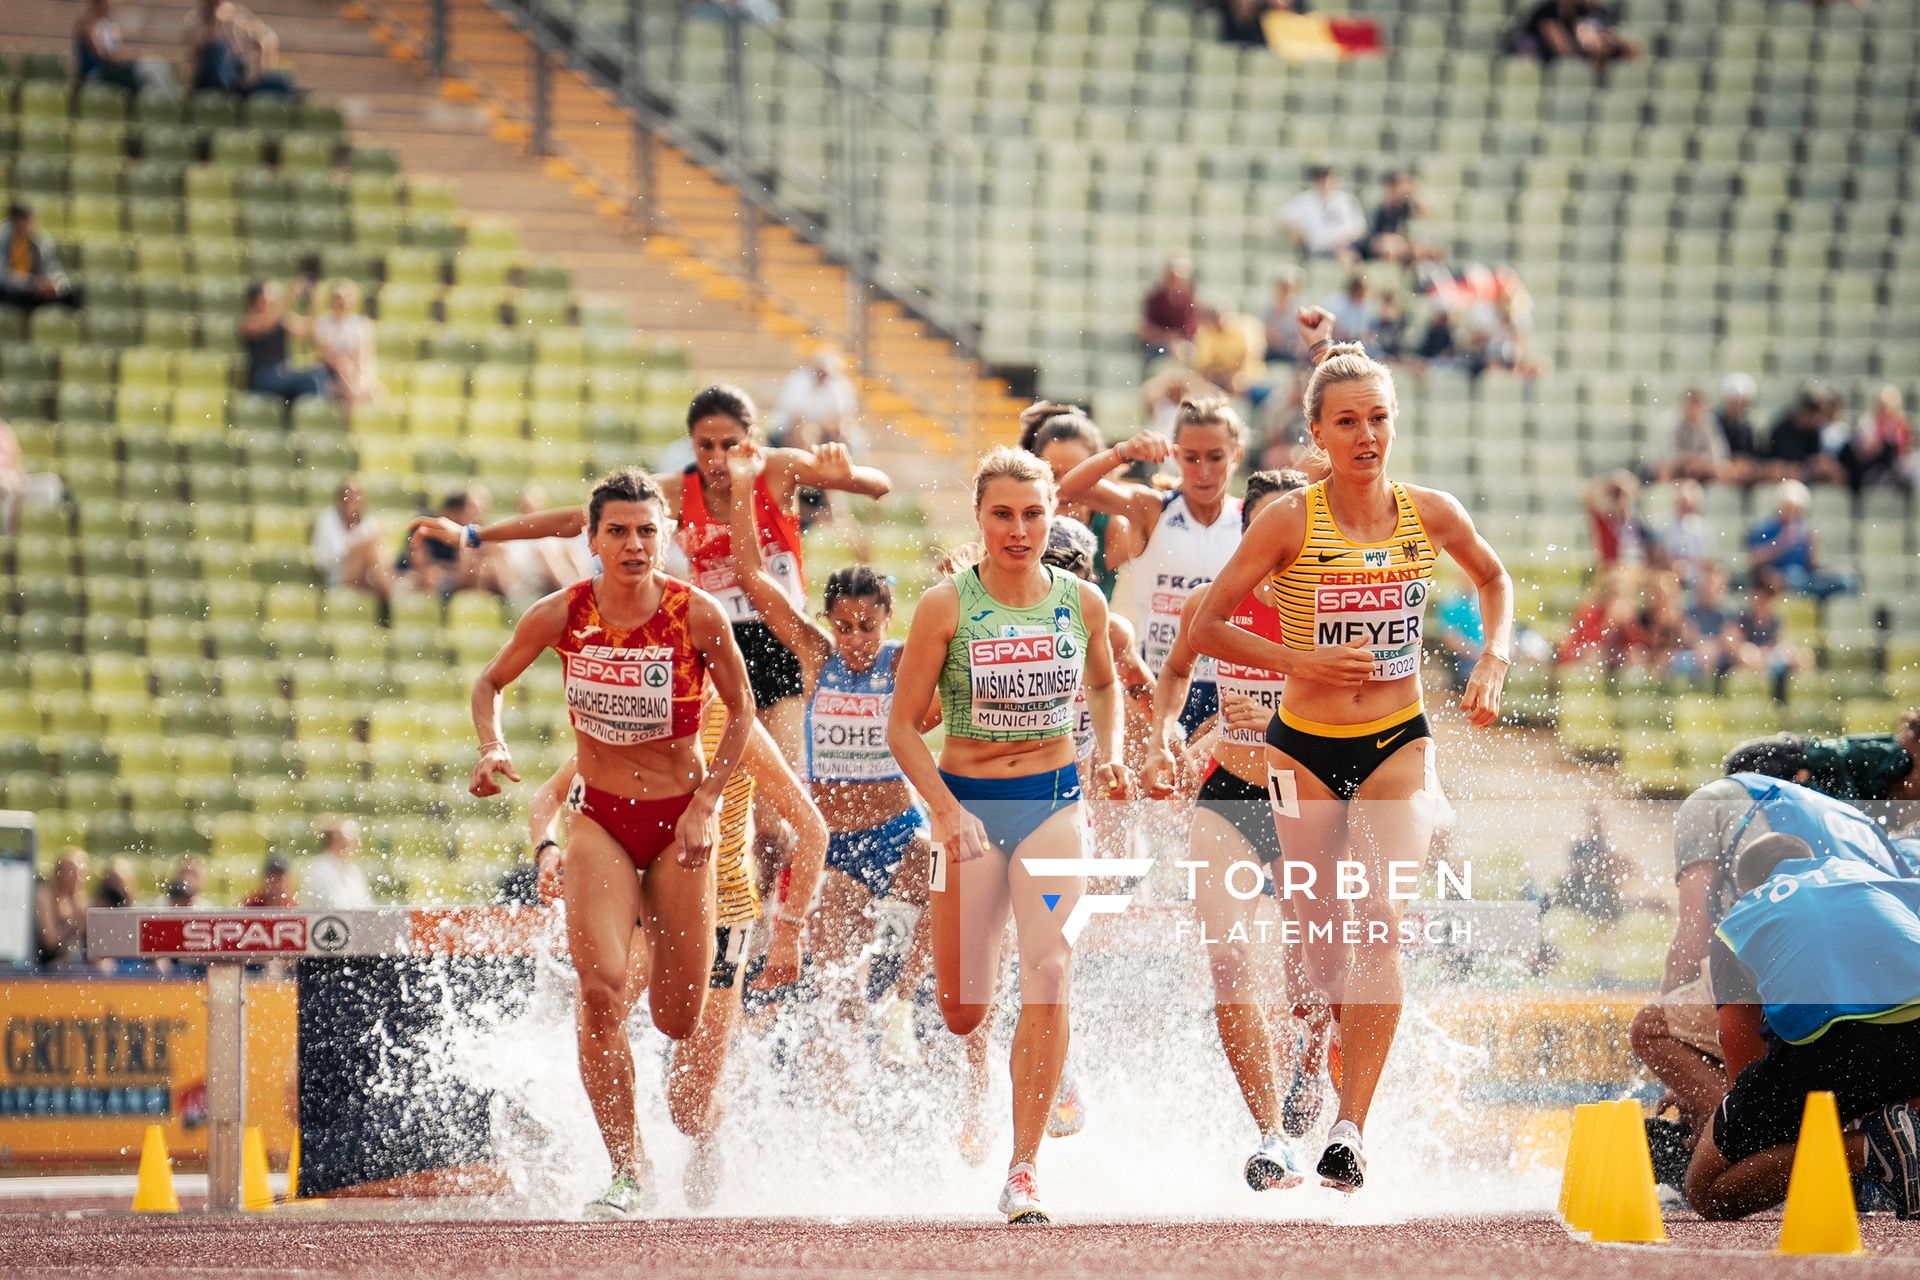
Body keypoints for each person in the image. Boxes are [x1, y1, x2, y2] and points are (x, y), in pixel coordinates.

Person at [1187, 308, 1514, 1192]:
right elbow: (1205, 621)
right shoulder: (1291, 521)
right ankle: (1301, 1077)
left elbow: (1493, 577)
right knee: (1314, 942)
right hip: (1299, 755)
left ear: (1394, 423)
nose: (1366, 435)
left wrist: (1494, 655)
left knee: (1381, 926)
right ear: (1317, 434)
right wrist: (1302, 657)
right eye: (1346, 421)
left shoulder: (1429, 512)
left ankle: (1351, 1129)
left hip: (1398, 745)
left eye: (1378, 419)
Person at [468, 467, 756, 1218]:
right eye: (618, 531)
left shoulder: (696, 616)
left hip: (677, 831)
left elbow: (745, 715)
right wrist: (492, 747)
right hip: (599, 820)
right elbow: (488, 684)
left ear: (665, 539)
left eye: (646, 531)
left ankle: (706, 1117)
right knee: (598, 996)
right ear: (592, 538)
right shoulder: (563, 613)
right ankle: (628, 1170)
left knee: (676, 1019)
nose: (633, 544)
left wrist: (705, 806)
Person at [886, 446, 1137, 1224]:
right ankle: (1015, 1025)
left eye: (1034, 514)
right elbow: (900, 728)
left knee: (1050, 970)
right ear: (980, 519)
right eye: (1003, 514)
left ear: (1053, 515)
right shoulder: (944, 606)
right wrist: (943, 809)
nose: (1020, 529)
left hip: (1056, 804)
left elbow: (1103, 682)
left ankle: (1023, 1169)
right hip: (965, 810)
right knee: (961, 1008)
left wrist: (1115, 756)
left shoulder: (1082, 602)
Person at [412, 386, 892, 766]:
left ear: (753, 438)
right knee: (722, 798)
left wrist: (848, 472)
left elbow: (877, 487)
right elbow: (575, 519)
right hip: (716, 641)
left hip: (779, 633)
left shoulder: (780, 468)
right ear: (691, 445)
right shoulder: (676, 492)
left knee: (778, 812)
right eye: (705, 446)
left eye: (730, 445)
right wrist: (475, 535)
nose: (718, 458)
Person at [525, 695, 824, 1208]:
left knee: (688, 1108)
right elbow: (548, 798)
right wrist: (546, 849)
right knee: (599, 1006)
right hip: (642, 904)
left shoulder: (735, 730)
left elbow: (813, 829)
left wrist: (790, 928)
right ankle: (629, 1167)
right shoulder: (627, 720)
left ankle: (710, 1128)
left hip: (722, 916)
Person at [719, 439, 938, 1063]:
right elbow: (751, 576)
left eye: (867, 627)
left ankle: (904, 1000)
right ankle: (840, 1103)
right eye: (844, 626)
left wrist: (964, 578)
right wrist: (741, 489)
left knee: (960, 887)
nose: (856, 640)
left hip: (898, 830)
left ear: (888, 621)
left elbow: (955, 636)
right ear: (829, 622)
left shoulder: (903, 661)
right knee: (838, 997)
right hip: (835, 845)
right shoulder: (816, 657)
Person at [1142, 468, 1331, 1192]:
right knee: (1229, 965)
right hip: (1231, 798)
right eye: (1261, 532)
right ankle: (1271, 1136)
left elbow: (1363, 709)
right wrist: (1165, 735)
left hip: (1309, 805)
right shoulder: (1210, 603)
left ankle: (1312, 1072)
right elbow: (1176, 674)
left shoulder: (1326, 609)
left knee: (1309, 980)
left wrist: (1282, 721)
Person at [1683, 831, 1920, 1221]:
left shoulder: (1740, 918)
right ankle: (1902, 1137)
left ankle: (1869, 1149)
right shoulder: (1869, 876)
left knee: (1709, 1190)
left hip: (1835, 1043)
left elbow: (1739, 1051)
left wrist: (1764, 1141)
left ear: (1745, 887)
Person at [1057, 396, 1249, 742]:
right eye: (1191, 458)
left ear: (1237, 453)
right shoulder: (1152, 509)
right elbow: (1069, 489)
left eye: (1216, 457)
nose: (1203, 471)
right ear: (1175, 455)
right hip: (1152, 686)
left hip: (1228, 694)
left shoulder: (1252, 519)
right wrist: (1123, 452)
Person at [1019, 404, 1137, 601]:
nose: (1063, 487)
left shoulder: (1114, 528)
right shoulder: (1016, 525)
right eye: (1053, 474)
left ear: (1095, 471)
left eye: (1076, 474)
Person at [1721, 716, 1920, 804]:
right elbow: (1839, 757)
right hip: (1790, 754)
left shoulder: (1895, 757)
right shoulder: (1896, 756)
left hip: (1796, 761)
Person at [1746, 479, 1854, 599]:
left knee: (1846, 580)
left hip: (1805, 580)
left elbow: (1813, 565)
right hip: (1780, 578)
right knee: (1792, 576)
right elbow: (1753, 559)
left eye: (1796, 509)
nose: (1792, 513)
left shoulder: (1804, 529)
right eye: (1788, 508)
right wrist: (1782, 542)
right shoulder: (1765, 528)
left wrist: (1813, 545)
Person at [185, 0, 299, 97]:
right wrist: (215, 20)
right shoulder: (196, 19)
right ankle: (225, 87)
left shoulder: (237, 18)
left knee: (281, 85)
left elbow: (267, 37)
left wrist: (258, 48)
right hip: (208, 80)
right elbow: (200, 47)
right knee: (218, 50)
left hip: (236, 82)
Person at [311, 476, 398, 601]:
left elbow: (384, 556)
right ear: (341, 500)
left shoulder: (369, 521)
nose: (355, 502)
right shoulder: (327, 519)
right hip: (337, 578)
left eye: (359, 498)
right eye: (351, 498)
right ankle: (392, 599)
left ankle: (390, 598)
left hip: (367, 578)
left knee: (374, 548)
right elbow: (323, 562)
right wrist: (357, 550)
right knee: (371, 546)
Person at [241, 280, 329, 402]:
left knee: (319, 373)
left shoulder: (279, 319)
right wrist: (290, 294)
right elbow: (268, 322)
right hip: (263, 378)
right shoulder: (249, 321)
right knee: (310, 380)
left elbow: (308, 329)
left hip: (283, 374)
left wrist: (312, 301)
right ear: (259, 297)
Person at [75, 0, 179, 97]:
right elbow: (102, 55)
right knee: (133, 73)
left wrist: (133, 54)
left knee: (152, 66)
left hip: (111, 68)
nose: (112, 5)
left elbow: (117, 51)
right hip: (96, 72)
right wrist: (128, 57)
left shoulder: (109, 25)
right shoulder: (88, 24)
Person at [1, 205, 84, 314]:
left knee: (75, 292)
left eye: (28, 224)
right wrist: (33, 284)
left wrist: (57, 284)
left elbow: (51, 267)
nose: (25, 228)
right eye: (20, 225)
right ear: (13, 223)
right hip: (12, 292)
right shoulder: (2, 239)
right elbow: (3, 276)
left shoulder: (41, 240)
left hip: (35, 293)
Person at [1279, 166, 1368, 265]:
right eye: (1321, 179)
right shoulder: (1305, 200)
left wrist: (1341, 241)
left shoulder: (1347, 200)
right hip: (1321, 250)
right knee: (1345, 257)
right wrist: (1296, 230)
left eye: (1328, 179)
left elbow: (1360, 228)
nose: (1325, 183)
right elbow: (1281, 216)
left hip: (1348, 246)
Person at [312, 280, 381, 407]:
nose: (342, 302)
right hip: (331, 373)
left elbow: (364, 356)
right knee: (345, 374)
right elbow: (329, 356)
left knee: (376, 391)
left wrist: (362, 377)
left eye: (346, 298)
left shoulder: (363, 324)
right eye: (338, 298)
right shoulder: (323, 323)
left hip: (355, 372)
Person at [1839, 384, 1914, 495]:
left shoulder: (1901, 425)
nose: (1886, 410)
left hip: (1894, 468)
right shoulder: (1867, 422)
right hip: (1868, 469)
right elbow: (1865, 452)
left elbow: (1903, 452)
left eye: (1889, 406)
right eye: (1883, 405)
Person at [1646, 388, 1729, 484]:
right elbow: (1665, 457)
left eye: (1698, 405)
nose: (1694, 410)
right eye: (1692, 405)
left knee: (1722, 470)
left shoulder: (1709, 422)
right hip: (1664, 469)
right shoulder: (1667, 423)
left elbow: (1718, 455)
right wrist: (1689, 461)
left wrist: (1698, 463)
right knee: (1664, 468)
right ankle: (1666, 492)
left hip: (1695, 467)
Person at [0, 418, 66, 536]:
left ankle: (38, 531)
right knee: (4, 486)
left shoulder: (6, 429)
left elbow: (16, 459)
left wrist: (19, 476)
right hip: (3, 483)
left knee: (50, 482)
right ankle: (8, 537)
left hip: (15, 480)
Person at [1361, 171, 1436, 265]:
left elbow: (1426, 213)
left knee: (1430, 252)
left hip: (1399, 244)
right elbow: (1378, 235)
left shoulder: (1405, 206)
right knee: (1389, 248)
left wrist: (1415, 193)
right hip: (1377, 243)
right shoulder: (1381, 204)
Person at [1141, 258, 1201, 369]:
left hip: (1183, 345)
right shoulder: (1154, 299)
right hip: (1158, 345)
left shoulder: (1188, 299)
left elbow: (1191, 328)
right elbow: (1147, 329)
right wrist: (1168, 339)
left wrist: (1178, 342)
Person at [303, 817, 374, 909]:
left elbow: (367, 905)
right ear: (334, 843)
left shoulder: (354, 870)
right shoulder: (320, 869)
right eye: (348, 843)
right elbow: (334, 906)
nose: (354, 846)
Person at [35, 849, 89, 970]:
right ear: (59, 872)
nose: (77, 878)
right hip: (50, 964)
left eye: (81, 873)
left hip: (77, 964)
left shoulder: (81, 900)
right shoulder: (46, 896)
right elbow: (50, 942)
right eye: (72, 873)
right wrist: (74, 923)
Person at [1714, 372, 1763, 487]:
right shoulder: (1715, 423)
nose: (1738, 407)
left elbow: (1755, 455)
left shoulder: (1749, 427)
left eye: (1742, 403)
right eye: (1734, 403)